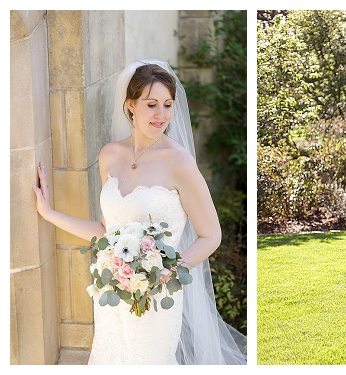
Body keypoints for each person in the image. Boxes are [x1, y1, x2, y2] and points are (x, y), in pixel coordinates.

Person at [32, 60, 246, 364]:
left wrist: (164, 272)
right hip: (114, 294)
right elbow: (106, 231)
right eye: (151, 104)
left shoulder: (179, 163)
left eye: (168, 105)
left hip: (158, 299)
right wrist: (49, 212)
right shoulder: (109, 156)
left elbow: (211, 235)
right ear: (131, 105)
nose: (161, 114)